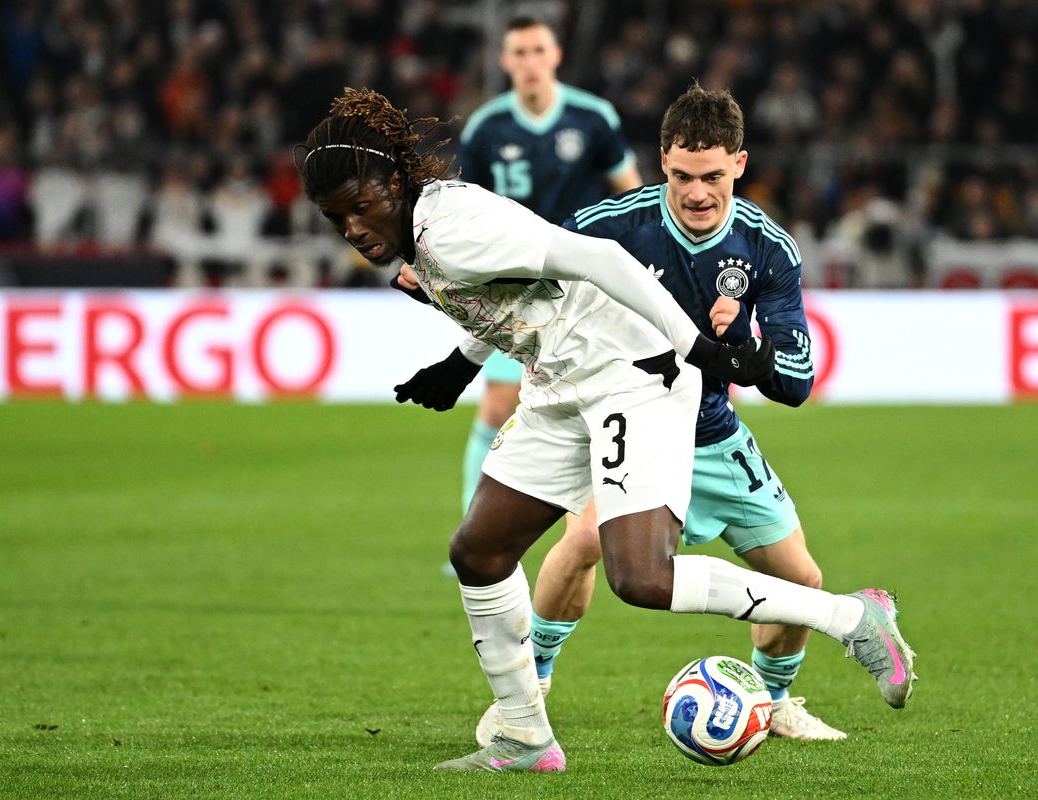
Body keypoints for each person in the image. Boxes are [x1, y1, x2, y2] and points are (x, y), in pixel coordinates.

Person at [297, 86, 916, 773]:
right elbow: (519, 297)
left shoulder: (455, 227)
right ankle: (526, 738)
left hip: (631, 375)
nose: (352, 228)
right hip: (560, 384)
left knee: (641, 577)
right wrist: (459, 363)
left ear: (392, 182)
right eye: (336, 218)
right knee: (479, 551)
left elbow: (602, 262)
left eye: (360, 206)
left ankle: (852, 618)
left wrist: (697, 346)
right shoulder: (425, 231)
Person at [473, 84, 859, 746]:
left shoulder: (768, 249)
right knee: (587, 539)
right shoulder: (611, 226)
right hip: (628, 427)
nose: (697, 192)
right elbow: (524, 287)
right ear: (662, 162)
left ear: (740, 163)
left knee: (803, 579)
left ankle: (771, 702)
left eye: (712, 176)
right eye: (682, 175)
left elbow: (797, 381)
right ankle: (525, 691)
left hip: (710, 434)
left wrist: (749, 353)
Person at [457, 16, 642, 518]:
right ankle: (475, 530)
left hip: (584, 287)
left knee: (593, 403)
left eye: (538, 50)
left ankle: (591, 525)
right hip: (511, 288)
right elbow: (462, 208)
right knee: (498, 407)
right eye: (519, 52)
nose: (530, 62)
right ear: (504, 61)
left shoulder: (592, 117)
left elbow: (631, 194)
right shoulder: (486, 128)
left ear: (555, 55)